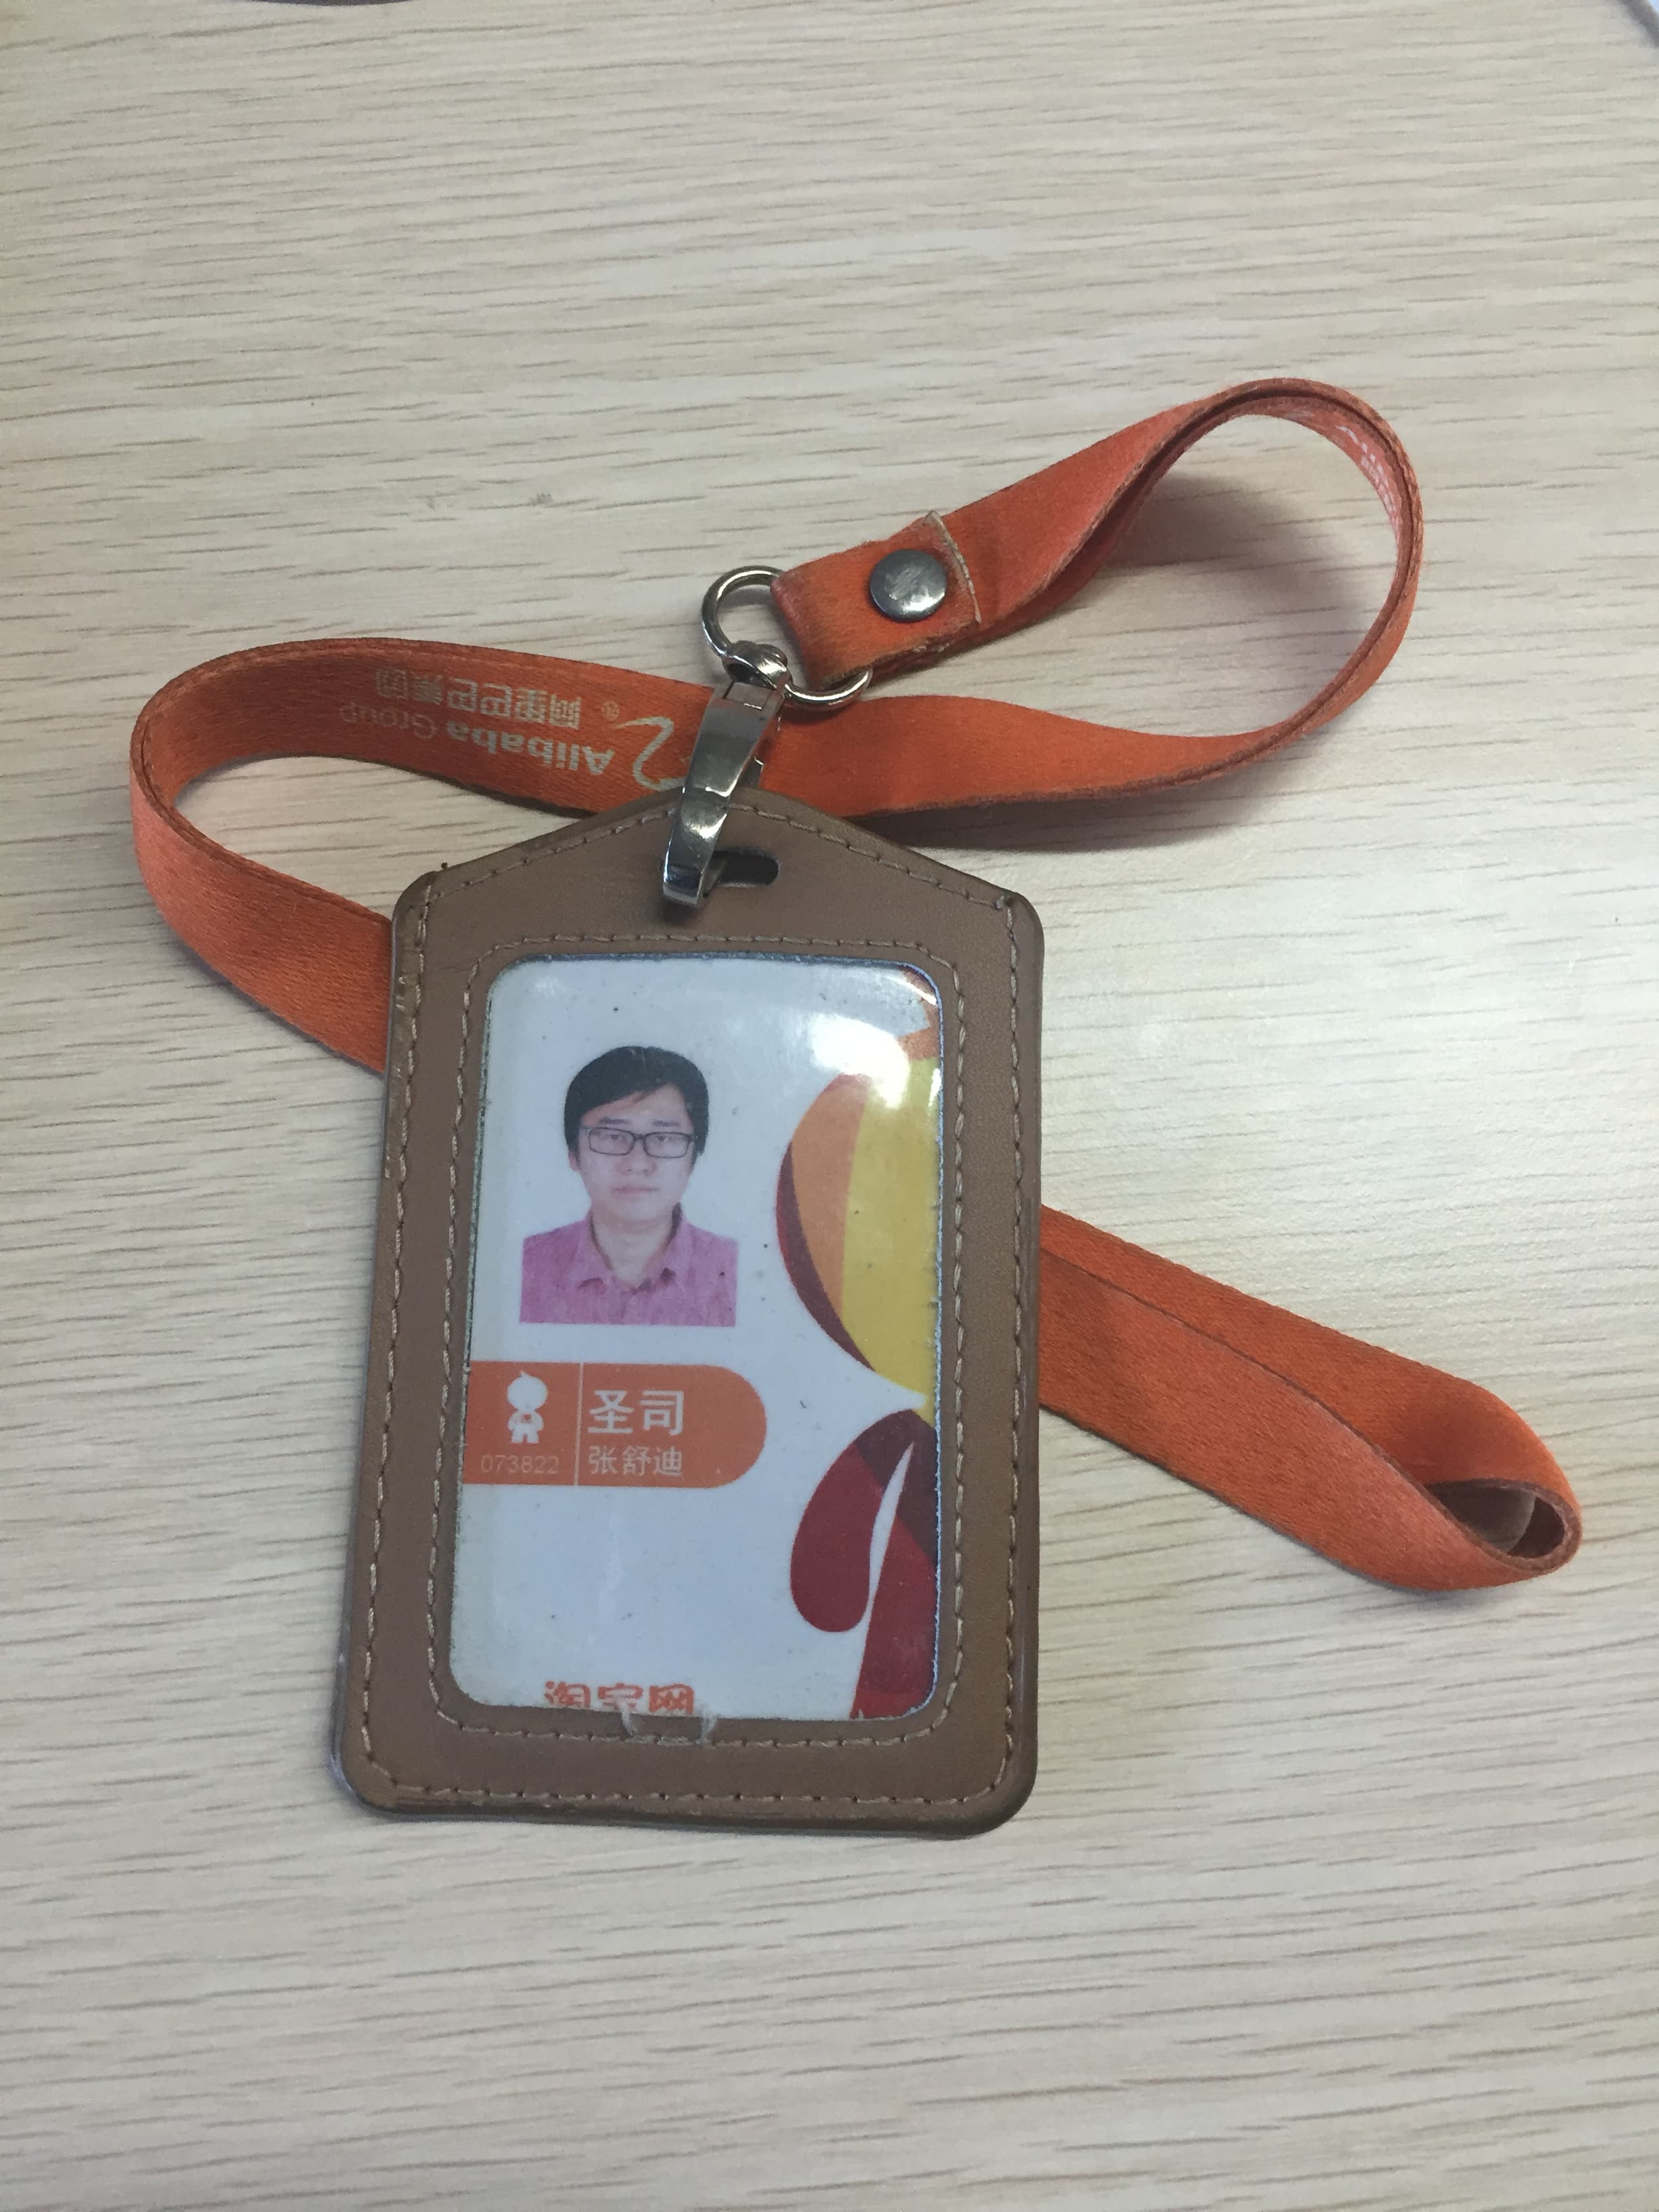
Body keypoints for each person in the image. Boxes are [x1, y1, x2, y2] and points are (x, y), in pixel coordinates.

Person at [520, 1045, 737, 1326]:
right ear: (573, 1153)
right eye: (612, 1136)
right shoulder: (524, 1266)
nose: (637, 1164)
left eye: (663, 1138)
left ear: (694, 1157)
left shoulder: (734, 1271)